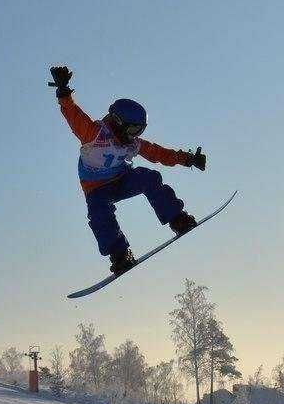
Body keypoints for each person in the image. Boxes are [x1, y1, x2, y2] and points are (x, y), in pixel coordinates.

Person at [49, 65, 207, 274]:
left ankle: (177, 218)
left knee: (149, 177)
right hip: (96, 189)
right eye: (133, 130)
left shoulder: (132, 143)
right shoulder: (93, 133)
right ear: (118, 123)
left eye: (139, 131)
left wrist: (188, 159)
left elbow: (159, 154)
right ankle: (119, 254)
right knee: (99, 214)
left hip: (122, 179)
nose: (135, 135)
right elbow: (72, 114)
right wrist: (63, 90)